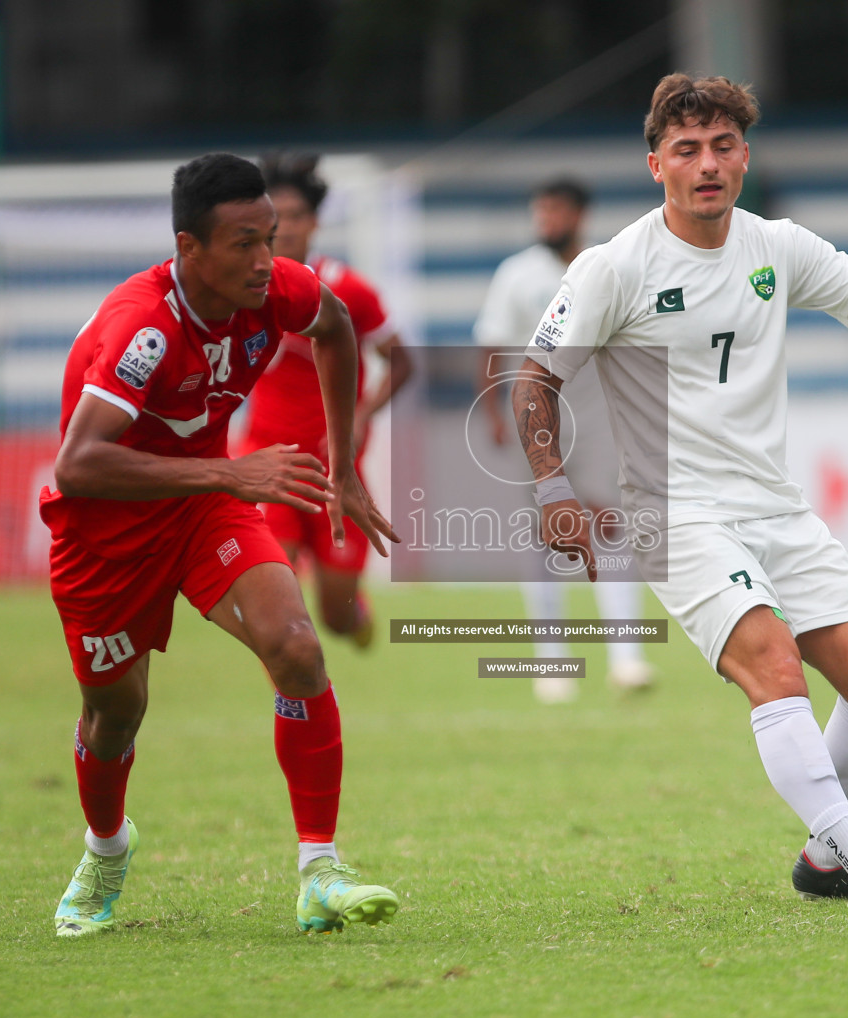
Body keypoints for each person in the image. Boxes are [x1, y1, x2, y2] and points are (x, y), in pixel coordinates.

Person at [512, 75, 848, 904]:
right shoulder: (613, 267)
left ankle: (826, 859)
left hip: (775, 507)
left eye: (723, 147)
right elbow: (532, 380)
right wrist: (552, 491)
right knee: (774, 668)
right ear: (655, 162)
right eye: (687, 149)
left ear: (745, 158)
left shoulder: (777, 246)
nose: (707, 165)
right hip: (675, 514)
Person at [39, 153, 403, 937]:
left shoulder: (278, 290)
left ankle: (319, 870)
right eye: (244, 243)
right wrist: (232, 470)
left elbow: (337, 330)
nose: (266, 261)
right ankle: (106, 850)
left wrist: (342, 466)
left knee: (297, 646)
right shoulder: (142, 326)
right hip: (105, 531)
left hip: (206, 508)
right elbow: (79, 461)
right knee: (115, 715)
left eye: (270, 238)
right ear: (188, 248)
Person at [474, 178, 657, 704]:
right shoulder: (517, 274)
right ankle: (552, 661)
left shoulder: (606, 267)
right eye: (541, 209)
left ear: (579, 213)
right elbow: (490, 343)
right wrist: (489, 411)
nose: (546, 219)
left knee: (610, 525)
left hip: (598, 419)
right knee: (544, 536)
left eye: (555, 209)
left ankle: (626, 657)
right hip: (536, 423)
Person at [243, 154, 412, 648]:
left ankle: (354, 616)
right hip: (269, 460)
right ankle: (293, 694)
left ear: (314, 222)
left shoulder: (346, 291)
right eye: (276, 216)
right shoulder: (242, 290)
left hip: (335, 467)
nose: (285, 227)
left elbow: (401, 361)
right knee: (275, 595)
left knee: (335, 614)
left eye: (295, 215)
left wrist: (361, 416)